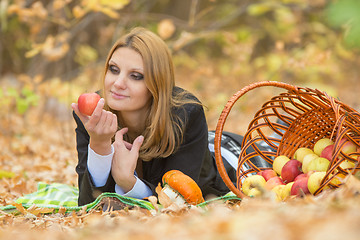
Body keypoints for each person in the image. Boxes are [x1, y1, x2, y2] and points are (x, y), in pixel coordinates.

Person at [72, 27, 266, 206]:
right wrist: (99, 145)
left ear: (157, 82)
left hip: (230, 157)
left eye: (136, 76)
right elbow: (89, 202)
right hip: (202, 145)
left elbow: (180, 200)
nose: (118, 83)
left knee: (281, 159)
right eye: (114, 70)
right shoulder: (94, 114)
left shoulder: (186, 114)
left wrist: (128, 182)